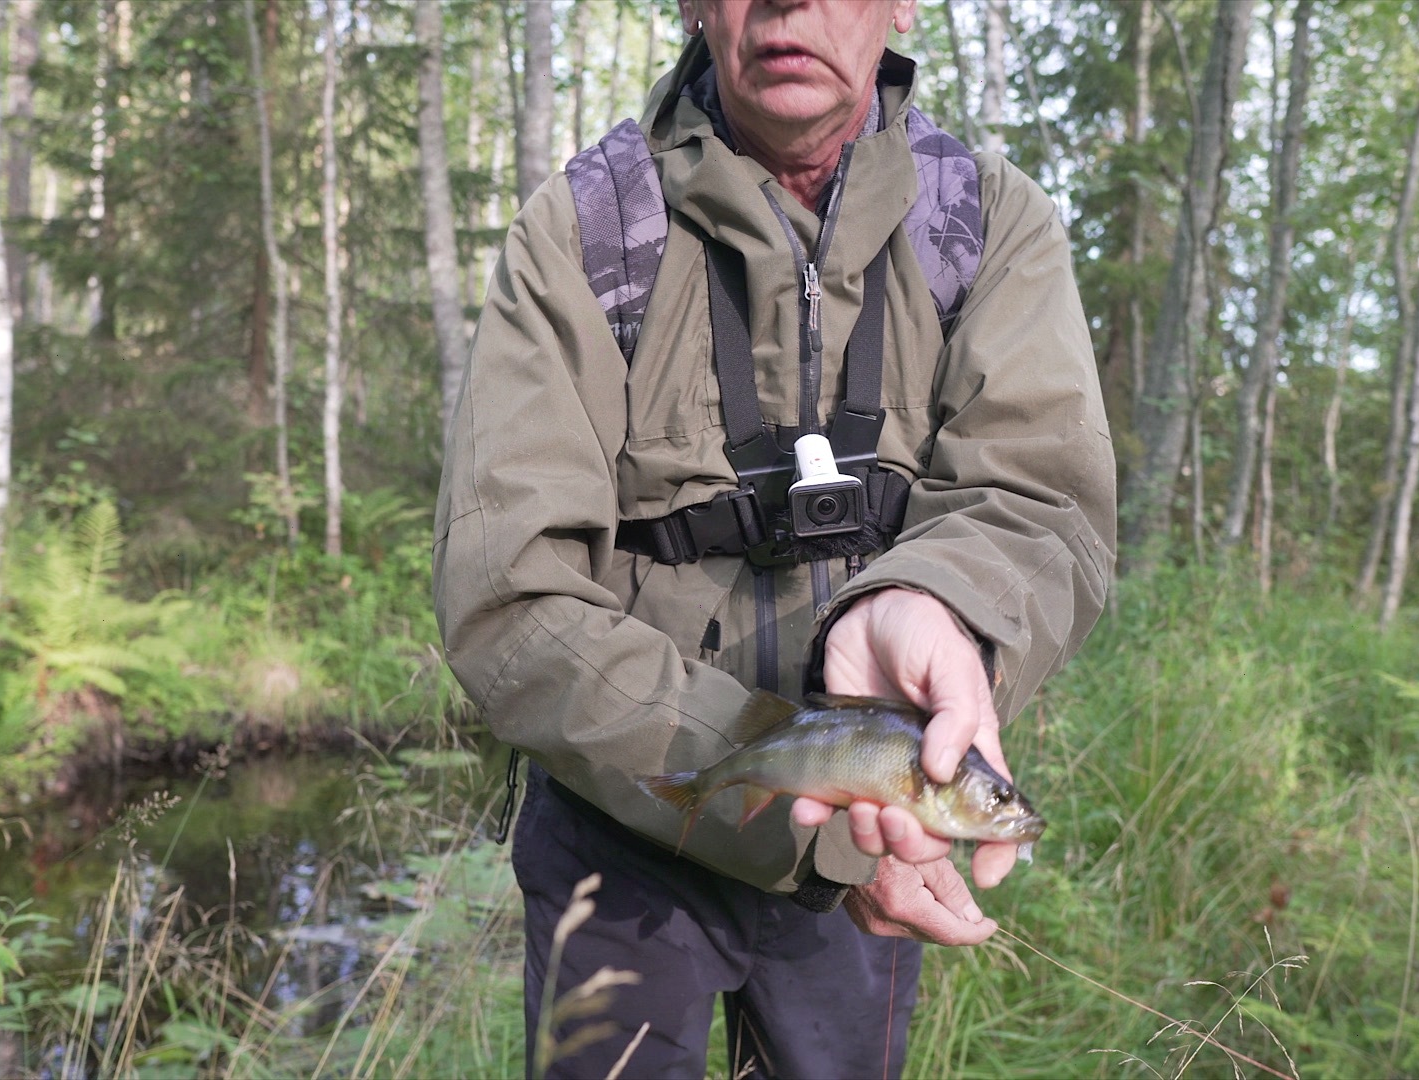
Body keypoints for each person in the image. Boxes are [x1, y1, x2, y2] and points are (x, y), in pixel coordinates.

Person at [432, 1, 1114, 1075]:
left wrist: (940, 605)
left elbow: (1042, 501)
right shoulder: (586, 230)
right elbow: (508, 595)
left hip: (871, 844)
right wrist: (791, 799)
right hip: (628, 825)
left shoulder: (984, 225)